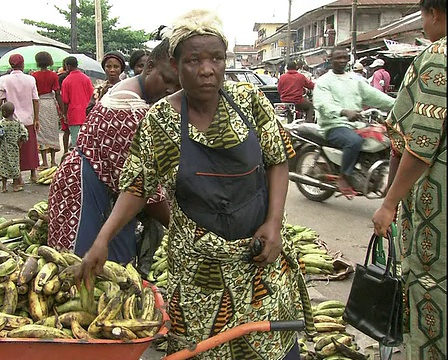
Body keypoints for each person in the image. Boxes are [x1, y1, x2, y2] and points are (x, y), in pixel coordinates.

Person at [78, 10, 311, 360]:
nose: (207, 69)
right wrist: (102, 239)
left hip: (258, 258)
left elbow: (278, 160)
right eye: (194, 60)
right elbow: (137, 187)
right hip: (199, 272)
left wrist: (274, 223)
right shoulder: (160, 119)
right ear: (175, 64)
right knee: (202, 351)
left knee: (269, 349)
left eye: (216, 58)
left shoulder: (249, 102)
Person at [48, 38, 180, 262]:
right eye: (167, 80)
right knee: (80, 272)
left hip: (105, 189)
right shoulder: (128, 109)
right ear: (149, 67)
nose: (171, 90)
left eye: (178, 86)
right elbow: (144, 187)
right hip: (84, 193)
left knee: (114, 276)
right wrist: (180, 230)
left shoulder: (131, 91)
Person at [372, 1, 446, 359]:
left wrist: (389, 203)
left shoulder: (437, 57)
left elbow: (419, 145)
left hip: (438, 211)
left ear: (432, 12)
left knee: (431, 293)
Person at [312, 47, 395, 198]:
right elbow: (323, 104)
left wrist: (397, 104)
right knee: (353, 141)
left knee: (383, 137)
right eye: (338, 58)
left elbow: (374, 96)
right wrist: (343, 111)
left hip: (356, 124)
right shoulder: (323, 82)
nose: (342, 60)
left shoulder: (355, 80)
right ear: (330, 60)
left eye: (345, 57)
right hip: (334, 125)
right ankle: (344, 178)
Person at [0, 54, 40, 185]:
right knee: (31, 148)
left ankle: (18, 177)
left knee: (14, 150)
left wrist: (5, 113)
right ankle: (33, 174)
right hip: (28, 119)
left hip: (12, 120)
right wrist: (36, 118)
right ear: (23, 64)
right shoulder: (30, 79)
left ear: (10, 64)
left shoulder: (4, 79)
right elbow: (36, 100)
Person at [32, 51, 63, 168]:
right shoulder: (54, 75)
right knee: (52, 131)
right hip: (50, 104)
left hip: (39, 104)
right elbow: (57, 93)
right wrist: (62, 109)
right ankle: (53, 161)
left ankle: (44, 161)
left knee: (41, 133)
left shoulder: (34, 76)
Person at [0, 102, 28, 193]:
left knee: (4, 166)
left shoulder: (2, 124)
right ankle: (16, 185)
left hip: (4, 148)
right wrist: (21, 141)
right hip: (14, 148)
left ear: (4, 112)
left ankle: (4, 186)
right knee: (15, 166)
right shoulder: (17, 123)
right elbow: (24, 133)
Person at [61, 56, 94, 149]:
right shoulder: (86, 79)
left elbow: (65, 101)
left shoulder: (66, 81)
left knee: (76, 142)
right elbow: (92, 96)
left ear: (68, 66)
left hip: (73, 114)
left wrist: (64, 114)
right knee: (87, 141)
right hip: (87, 114)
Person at [58, 60, 71, 154]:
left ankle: (65, 151)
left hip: (63, 106)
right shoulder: (82, 77)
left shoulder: (61, 77)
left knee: (66, 131)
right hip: (76, 107)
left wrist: (62, 111)